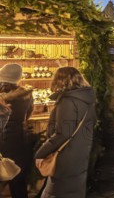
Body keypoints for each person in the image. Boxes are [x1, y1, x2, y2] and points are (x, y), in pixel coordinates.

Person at [35, 67, 96, 198]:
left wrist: (40, 153)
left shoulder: (68, 101)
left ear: (59, 80)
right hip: (80, 153)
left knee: (58, 191)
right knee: (74, 190)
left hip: (66, 155)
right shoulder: (86, 98)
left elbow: (63, 133)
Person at [0, 64, 33, 198]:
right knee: (18, 179)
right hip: (19, 139)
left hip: (2, 139)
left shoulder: (2, 96)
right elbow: (28, 114)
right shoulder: (26, 95)